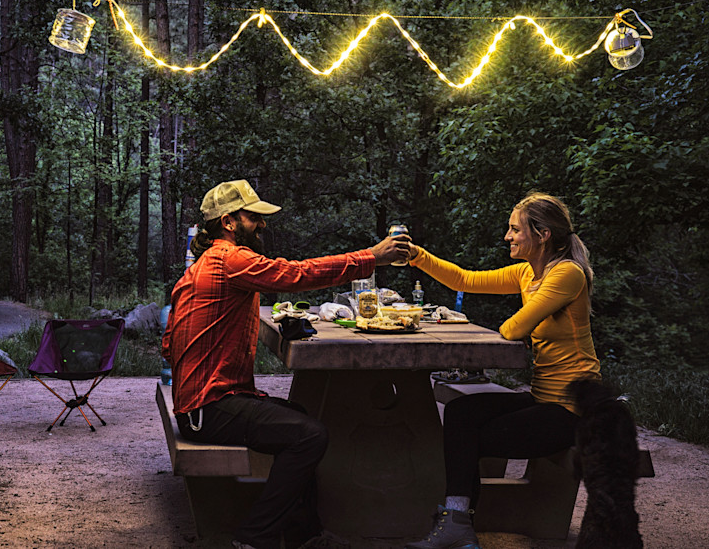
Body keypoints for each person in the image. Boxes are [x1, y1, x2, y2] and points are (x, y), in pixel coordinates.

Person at [161, 179, 411, 549]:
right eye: (253, 217)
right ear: (229, 222)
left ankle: (304, 534)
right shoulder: (230, 259)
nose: (262, 224)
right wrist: (371, 257)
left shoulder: (204, 264)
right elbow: (296, 274)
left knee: (300, 416)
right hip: (207, 408)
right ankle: (253, 537)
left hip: (203, 400)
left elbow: (168, 343)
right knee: (309, 435)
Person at [404, 192, 601, 549]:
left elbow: (514, 329)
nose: (507, 237)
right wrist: (417, 257)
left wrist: (517, 319)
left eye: (515, 230)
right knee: (462, 411)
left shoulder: (567, 274)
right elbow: (466, 279)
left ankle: (458, 523)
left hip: (573, 412)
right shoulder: (528, 272)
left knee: (465, 438)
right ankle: (459, 522)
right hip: (544, 399)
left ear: (542, 235)